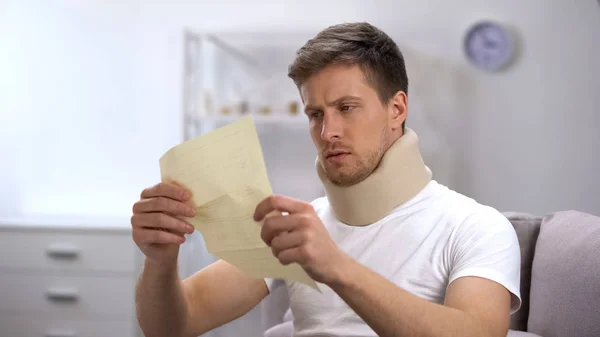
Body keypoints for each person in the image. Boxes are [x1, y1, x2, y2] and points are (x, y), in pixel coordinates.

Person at [131, 22, 521, 337]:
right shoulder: (295, 229)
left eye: (346, 108)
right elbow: (173, 325)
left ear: (397, 108)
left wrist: (337, 266)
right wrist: (160, 261)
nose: (328, 131)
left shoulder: (476, 227)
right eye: (315, 114)